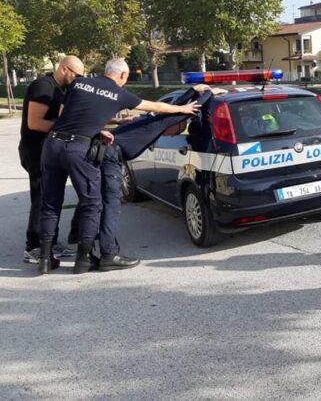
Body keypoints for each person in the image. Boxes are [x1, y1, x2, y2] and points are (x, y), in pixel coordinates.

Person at [37, 58, 200, 275]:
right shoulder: (120, 93)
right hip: (78, 149)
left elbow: (67, 115)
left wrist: (98, 128)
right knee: (92, 204)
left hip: (52, 144)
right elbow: (156, 107)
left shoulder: (79, 83)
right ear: (122, 75)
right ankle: (84, 260)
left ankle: (46, 260)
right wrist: (184, 107)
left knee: (50, 201)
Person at [90, 84, 220, 272]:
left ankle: (82, 236)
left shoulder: (152, 118)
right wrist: (208, 93)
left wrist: (193, 90)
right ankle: (108, 254)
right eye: (176, 131)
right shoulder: (158, 124)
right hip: (108, 155)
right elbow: (190, 109)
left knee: (96, 200)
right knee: (110, 205)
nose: (173, 134)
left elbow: (177, 105)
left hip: (102, 152)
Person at [18, 55, 84, 264]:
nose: (78, 80)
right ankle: (34, 247)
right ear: (65, 69)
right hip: (36, 150)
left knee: (52, 197)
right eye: (77, 75)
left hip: (51, 150)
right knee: (42, 197)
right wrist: (66, 128)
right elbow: (35, 123)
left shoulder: (61, 89)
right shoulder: (43, 86)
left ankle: (49, 243)